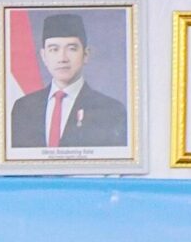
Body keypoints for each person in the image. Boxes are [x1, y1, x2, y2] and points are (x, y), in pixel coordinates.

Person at [7, 12, 127, 150]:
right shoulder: (23, 108)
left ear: (86, 54)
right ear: (44, 56)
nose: (62, 58)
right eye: (54, 49)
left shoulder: (110, 110)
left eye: (71, 49)